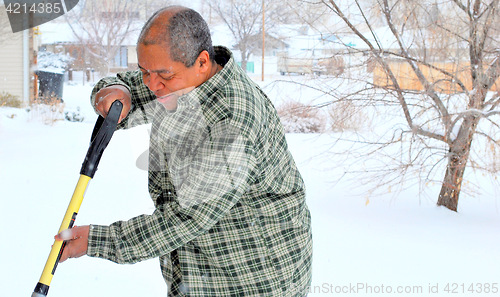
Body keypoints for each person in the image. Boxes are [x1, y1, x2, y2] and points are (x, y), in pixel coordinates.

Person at [56, 6, 312, 296]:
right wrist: (114, 92)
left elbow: (186, 219)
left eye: (162, 74)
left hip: (253, 279)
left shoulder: (231, 119)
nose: (152, 85)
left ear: (202, 62)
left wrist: (96, 241)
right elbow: (125, 90)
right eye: (144, 71)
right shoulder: (180, 81)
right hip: (198, 271)